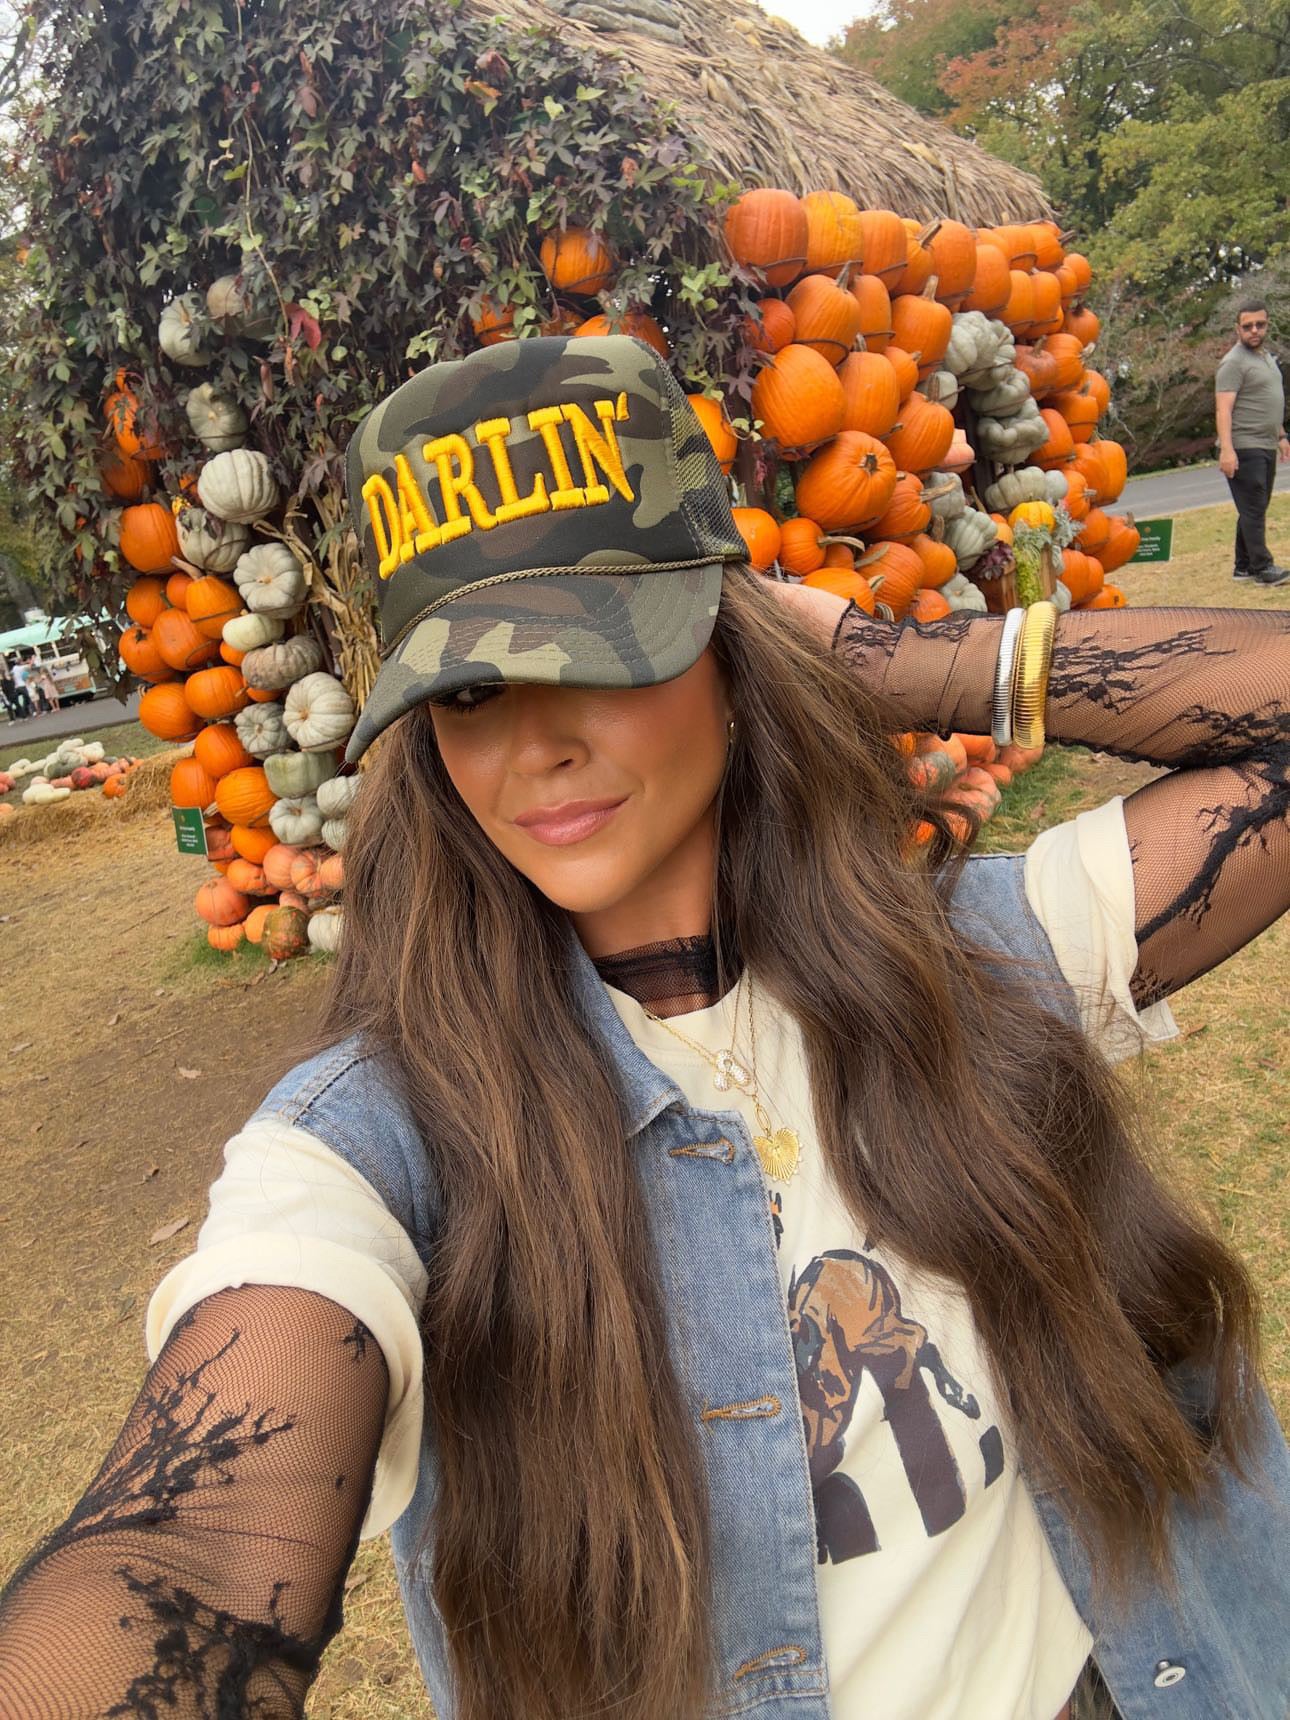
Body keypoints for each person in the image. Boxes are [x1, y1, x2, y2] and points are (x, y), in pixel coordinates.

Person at [0, 336, 1287, 1720]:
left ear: (727, 651)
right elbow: (184, 1552)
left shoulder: (980, 961)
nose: (533, 745)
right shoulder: (382, 1145)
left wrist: (874, 653)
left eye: (597, 650)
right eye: (468, 692)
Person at [1215, 298, 1290, 585]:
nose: (1254, 330)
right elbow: (1223, 409)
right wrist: (1227, 450)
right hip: (1245, 445)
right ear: (1238, 329)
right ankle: (1262, 568)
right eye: (1248, 326)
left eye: (1260, 324)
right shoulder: (1233, 363)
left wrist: (1280, 435)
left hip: (1266, 442)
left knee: (1253, 507)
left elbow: (1267, 400)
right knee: (1254, 508)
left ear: (1267, 325)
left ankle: (1243, 567)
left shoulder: (1265, 357)